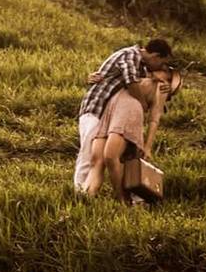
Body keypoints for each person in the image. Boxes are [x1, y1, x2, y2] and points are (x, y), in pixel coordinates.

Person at [73, 39, 173, 192]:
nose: (161, 66)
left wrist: (164, 83)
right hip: (96, 108)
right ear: (155, 56)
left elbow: (148, 80)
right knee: (88, 154)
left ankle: (87, 192)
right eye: (161, 62)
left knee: (98, 156)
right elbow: (132, 84)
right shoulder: (130, 55)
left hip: (107, 113)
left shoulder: (141, 65)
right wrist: (143, 104)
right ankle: (79, 191)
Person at [83, 67, 182, 202]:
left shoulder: (162, 87)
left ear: (168, 79)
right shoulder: (140, 71)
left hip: (129, 110)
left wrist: (148, 146)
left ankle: (122, 198)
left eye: (166, 72)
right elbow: (115, 76)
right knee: (96, 158)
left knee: (110, 156)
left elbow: (154, 119)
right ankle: (87, 197)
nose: (161, 69)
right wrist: (93, 77)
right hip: (112, 107)